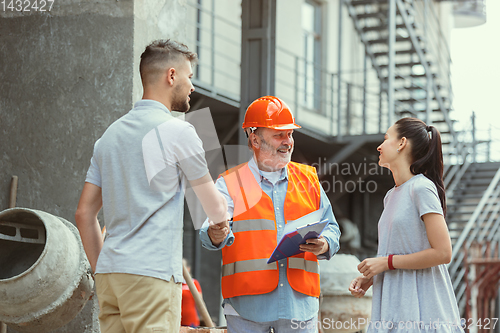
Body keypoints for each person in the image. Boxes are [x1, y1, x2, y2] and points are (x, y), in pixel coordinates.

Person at [75, 39, 229, 333]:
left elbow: (84, 214)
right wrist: (222, 219)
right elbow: (214, 208)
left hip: (111, 275)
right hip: (151, 275)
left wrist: (103, 269)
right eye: (189, 77)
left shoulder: (109, 137)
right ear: (171, 76)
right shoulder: (179, 131)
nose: (192, 87)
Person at [200, 96, 341, 333]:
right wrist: (217, 231)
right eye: (279, 135)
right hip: (246, 307)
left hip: (300, 306)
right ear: (254, 139)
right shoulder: (230, 183)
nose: (288, 142)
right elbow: (209, 233)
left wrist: (325, 243)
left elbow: (333, 229)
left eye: (290, 134)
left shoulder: (308, 179)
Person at [349, 117, 464, 333]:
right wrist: (372, 277)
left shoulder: (421, 188)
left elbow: (443, 252)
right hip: (393, 302)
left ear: (402, 143)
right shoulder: (390, 196)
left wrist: (386, 263)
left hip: (422, 306)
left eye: (385, 139)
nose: (379, 146)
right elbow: (400, 250)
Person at [181, 258, 203, 327]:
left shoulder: (194, 283)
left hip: (190, 322)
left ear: (188, 269)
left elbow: (200, 302)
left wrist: (205, 319)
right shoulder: (174, 284)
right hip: (176, 321)